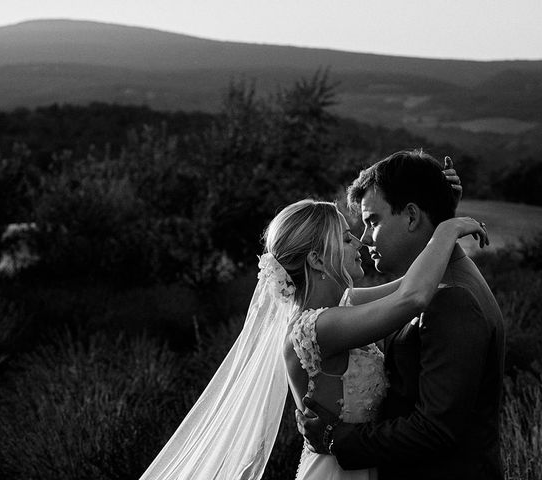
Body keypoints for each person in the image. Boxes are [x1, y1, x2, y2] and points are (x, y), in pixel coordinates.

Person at [138, 160, 485, 480]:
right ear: (318, 260)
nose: (358, 243)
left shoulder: (340, 307)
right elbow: (413, 297)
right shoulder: (314, 329)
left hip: (358, 464)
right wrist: (448, 230)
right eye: (345, 238)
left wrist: (436, 210)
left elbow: (408, 285)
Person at [296, 149, 505, 479]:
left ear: (411, 216)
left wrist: (336, 439)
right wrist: (442, 215)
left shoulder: (453, 300)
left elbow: (434, 430)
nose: (364, 240)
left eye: (372, 222)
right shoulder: (435, 285)